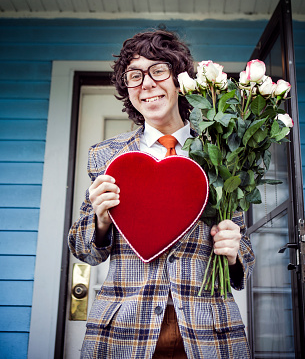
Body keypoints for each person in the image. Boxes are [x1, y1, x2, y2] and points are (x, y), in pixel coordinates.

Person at [68, 29, 255, 359]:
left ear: (180, 80)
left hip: (208, 332)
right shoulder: (106, 156)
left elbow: (245, 257)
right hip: (122, 333)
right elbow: (84, 251)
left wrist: (235, 250)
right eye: (135, 76)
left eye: (158, 70)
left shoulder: (222, 152)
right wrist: (100, 221)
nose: (147, 84)